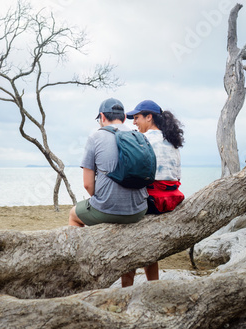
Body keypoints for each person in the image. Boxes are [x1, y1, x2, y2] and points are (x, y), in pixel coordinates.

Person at [120, 99, 185, 287]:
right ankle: (153, 285)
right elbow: (177, 176)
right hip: (171, 200)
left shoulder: (143, 140)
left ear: (149, 117)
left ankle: (126, 290)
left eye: (137, 117)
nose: (133, 122)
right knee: (149, 250)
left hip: (152, 201)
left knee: (128, 247)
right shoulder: (172, 141)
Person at [68, 98, 148, 228]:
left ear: (102, 116)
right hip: (139, 210)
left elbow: (87, 184)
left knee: (73, 215)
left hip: (107, 210)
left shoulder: (95, 138)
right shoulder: (139, 137)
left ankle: (79, 249)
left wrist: (103, 202)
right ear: (124, 118)